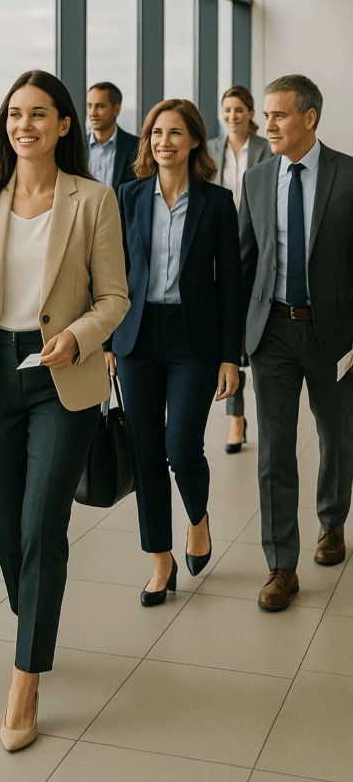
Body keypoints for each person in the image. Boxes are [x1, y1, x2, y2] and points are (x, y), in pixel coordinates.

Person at [0, 70, 129, 751]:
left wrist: (77, 336)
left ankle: (24, 678)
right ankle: (33, 617)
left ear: (64, 125)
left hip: (61, 379)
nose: (24, 125)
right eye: (14, 114)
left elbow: (114, 298)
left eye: (39, 114)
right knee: (4, 521)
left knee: (43, 522)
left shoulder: (93, 200)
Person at [106, 99, 243, 607]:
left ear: (193, 141)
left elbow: (230, 282)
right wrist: (107, 342)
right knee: (145, 453)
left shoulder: (216, 201)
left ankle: (198, 518)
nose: (164, 141)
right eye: (156, 133)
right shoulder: (129, 196)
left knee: (181, 446)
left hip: (195, 342)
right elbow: (111, 272)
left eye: (175, 133)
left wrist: (232, 356)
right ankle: (160, 561)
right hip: (137, 338)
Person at [240, 74, 353, 612]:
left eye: (278, 115)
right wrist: (239, 339)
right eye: (266, 116)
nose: (268, 125)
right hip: (273, 333)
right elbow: (245, 262)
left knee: (337, 435)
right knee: (275, 451)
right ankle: (281, 565)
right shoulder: (257, 180)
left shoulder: (348, 175)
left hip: (335, 336)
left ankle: (332, 524)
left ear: (309, 117)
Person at [208, 86, 271, 453]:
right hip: (218, 247)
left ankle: (263, 407)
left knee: (254, 330)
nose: (232, 116)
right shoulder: (212, 150)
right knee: (228, 332)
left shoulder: (264, 150)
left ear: (250, 114)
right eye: (227, 109)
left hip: (258, 248)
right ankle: (235, 417)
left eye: (239, 110)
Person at [87, 82, 139, 189]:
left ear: (116, 109)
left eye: (100, 106)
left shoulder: (137, 147)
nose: (92, 113)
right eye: (89, 106)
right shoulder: (74, 145)